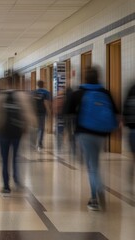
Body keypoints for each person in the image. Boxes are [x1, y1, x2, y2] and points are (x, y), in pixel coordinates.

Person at [64, 66, 118, 211]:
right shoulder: (105, 92)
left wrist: (70, 131)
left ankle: (95, 196)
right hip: (101, 134)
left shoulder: (79, 93)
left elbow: (67, 112)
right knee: (95, 163)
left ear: (84, 78)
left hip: (84, 133)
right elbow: (116, 113)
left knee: (92, 166)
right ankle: (95, 192)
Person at [123, 83, 135, 195]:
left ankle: (130, 182)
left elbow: (125, 116)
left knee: (132, 159)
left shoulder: (129, 98)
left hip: (132, 132)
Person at [33, 80, 51, 151]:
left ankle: (36, 142)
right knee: (41, 128)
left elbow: (33, 103)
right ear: (43, 84)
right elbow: (46, 103)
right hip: (42, 112)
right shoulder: (46, 92)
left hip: (35, 112)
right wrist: (49, 112)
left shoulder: (34, 92)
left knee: (37, 127)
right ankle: (40, 143)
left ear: (37, 85)